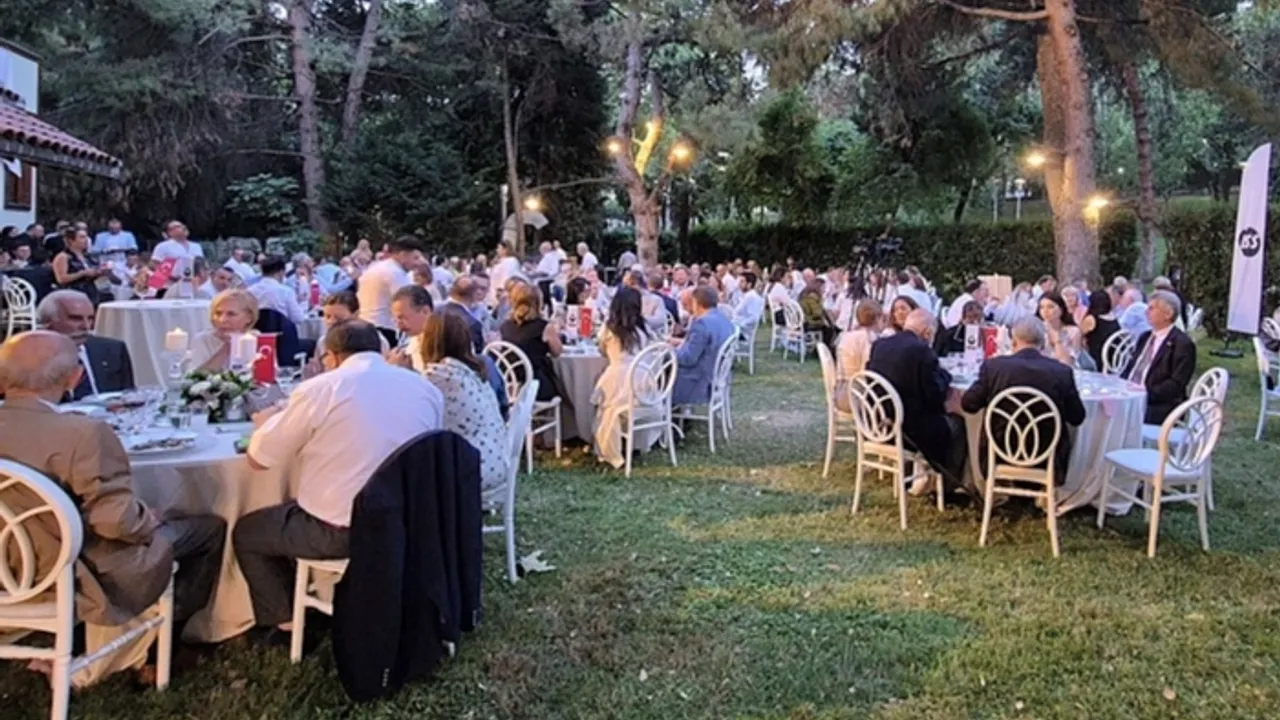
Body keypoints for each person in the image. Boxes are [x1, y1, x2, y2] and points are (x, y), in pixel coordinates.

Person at [0, 331, 224, 651]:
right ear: (74, 378)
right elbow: (115, 522)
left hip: (9, 567)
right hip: (65, 572)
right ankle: (160, 645)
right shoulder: (82, 433)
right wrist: (148, 518)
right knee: (206, 530)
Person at [233, 321, 443, 643]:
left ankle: (287, 624)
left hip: (341, 530)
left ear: (330, 357)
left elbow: (259, 459)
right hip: (411, 521)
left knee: (249, 532)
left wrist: (264, 424)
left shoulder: (322, 388)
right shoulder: (425, 389)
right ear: (381, 349)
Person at [961, 317, 1086, 479]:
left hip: (999, 451)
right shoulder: (1061, 372)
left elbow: (969, 404)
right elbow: (1077, 417)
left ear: (1013, 341)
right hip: (1046, 455)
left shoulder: (994, 367)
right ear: (1043, 343)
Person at [866, 309, 968, 493]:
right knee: (958, 424)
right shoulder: (921, 351)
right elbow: (935, 396)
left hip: (880, 423)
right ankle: (948, 485)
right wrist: (946, 377)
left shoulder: (880, 345)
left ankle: (928, 478)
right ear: (927, 333)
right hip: (910, 431)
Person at [417, 312, 509, 502]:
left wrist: (397, 370)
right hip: (496, 459)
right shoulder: (471, 370)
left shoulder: (439, 376)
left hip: (474, 469)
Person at [593, 287, 657, 468]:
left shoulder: (610, 329)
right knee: (613, 404)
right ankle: (633, 443)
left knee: (606, 407)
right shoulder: (644, 328)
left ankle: (608, 451)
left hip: (619, 381)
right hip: (644, 384)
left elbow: (602, 350)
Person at [36, 290, 136, 400]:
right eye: (76, 319)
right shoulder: (30, 358)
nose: (86, 326)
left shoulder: (113, 350)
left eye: (90, 318)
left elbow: (128, 397)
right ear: (48, 323)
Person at [1123, 291, 1197, 425]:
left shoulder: (1182, 344)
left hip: (1158, 405)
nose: (1146, 312)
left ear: (1168, 314)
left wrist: (1144, 394)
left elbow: (1176, 384)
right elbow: (1131, 367)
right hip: (1131, 396)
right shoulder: (1145, 337)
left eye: (1152, 308)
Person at [670, 286, 737, 407]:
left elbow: (688, 359)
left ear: (697, 303)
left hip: (698, 381)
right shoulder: (724, 319)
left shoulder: (701, 323)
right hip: (717, 376)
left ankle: (667, 412)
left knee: (661, 371)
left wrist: (667, 351)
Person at [499, 283, 562, 402]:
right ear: (538, 303)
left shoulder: (505, 326)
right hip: (534, 385)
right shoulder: (544, 327)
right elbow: (557, 352)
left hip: (509, 385)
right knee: (561, 386)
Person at [357, 235, 423, 346]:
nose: (418, 263)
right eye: (415, 258)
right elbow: (409, 303)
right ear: (403, 255)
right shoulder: (395, 273)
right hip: (385, 329)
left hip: (366, 324)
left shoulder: (376, 267)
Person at [190, 289, 259, 371]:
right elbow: (196, 376)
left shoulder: (257, 339)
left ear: (249, 318)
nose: (222, 320)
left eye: (231, 314)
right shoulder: (203, 339)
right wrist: (227, 347)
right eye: (218, 313)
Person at [835, 299, 881, 412]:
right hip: (856, 396)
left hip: (840, 392)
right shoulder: (870, 339)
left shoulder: (846, 336)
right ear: (877, 319)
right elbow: (867, 371)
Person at [51, 226, 106, 306]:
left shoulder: (86, 256)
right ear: (71, 240)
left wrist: (99, 272)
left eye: (86, 237)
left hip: (90, 292)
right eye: (82, 237)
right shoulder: (63, 256)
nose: (86, 240)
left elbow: (90, 274)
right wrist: (82, 273)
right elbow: (61, 279)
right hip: (72, 293)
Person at [248, 255, 306, 325]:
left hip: (257, 330)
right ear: (281, 272)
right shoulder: (286, 292)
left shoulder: (250, 291)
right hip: (281, 330)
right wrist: (302, 304)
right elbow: (298, 318)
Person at [388, 284, 434, 369]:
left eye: (402, 317)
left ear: (425, 311)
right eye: (397, 319)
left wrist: (403, 371)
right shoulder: (409, 344)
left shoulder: (443, 344)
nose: (398, 324)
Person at [1036, 291, 1087, 368]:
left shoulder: (1073, 331)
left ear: (1061, 309)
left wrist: (1057, 340)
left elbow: (1067, 363)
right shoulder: (1037, 328)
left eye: (1050, 307)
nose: (1045, 311)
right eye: (1041, 307)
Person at [1080, 289, 1121, 370]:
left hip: (1097, 359)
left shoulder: (1092, 319)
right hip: (1113, 359)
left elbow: (1079, 335)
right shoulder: (1114, 318)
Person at [798, 278, 836, 348]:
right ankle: (824, 348)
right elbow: (817, 313)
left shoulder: (806, 294)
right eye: (823, 287)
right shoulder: (812, 297)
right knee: (830, 329)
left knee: (829, 325)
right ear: (819, 287)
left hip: (806, 321)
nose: (824, 290)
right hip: (810, 323)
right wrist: (822, 303)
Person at [488, 242, 522, 308]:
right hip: (494, 291)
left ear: (505, 249)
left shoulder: (511, 261)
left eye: (498, 248)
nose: (497, 250)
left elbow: (508, 275)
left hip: (502, 291)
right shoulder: (499, 261)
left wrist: (501, 289)